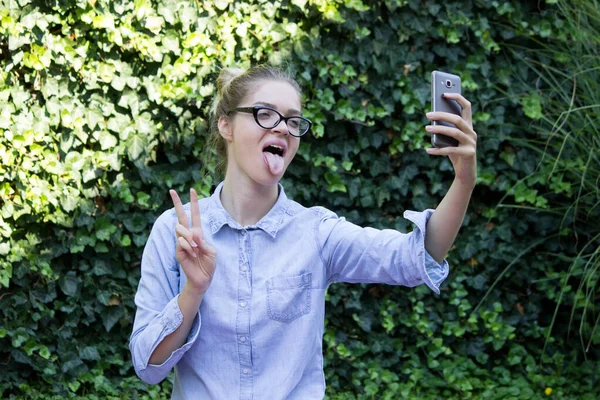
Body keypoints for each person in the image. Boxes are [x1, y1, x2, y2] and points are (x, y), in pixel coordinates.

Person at [129, 65, 477, 399]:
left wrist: (464, 180)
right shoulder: (176, 230)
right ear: (226, 126)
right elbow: (148, 367)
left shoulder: (316, 233)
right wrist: (194, 290)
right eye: (265, 114)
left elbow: (416, 257)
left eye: (293, 121)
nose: (282, 128)